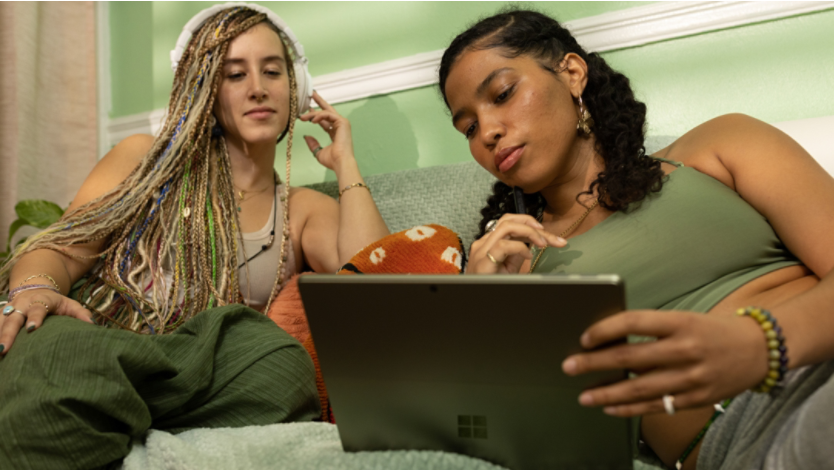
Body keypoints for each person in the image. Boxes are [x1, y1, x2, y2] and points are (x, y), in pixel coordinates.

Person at [439, 9, 834, 470]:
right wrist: (476, 307)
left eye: (503, 94)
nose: (487, 132)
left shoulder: (715, 147)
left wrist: (762, 344)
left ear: (571, 73)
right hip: (750, 437)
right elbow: (494, 430)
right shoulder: (517, 266)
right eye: (467, 128)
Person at [0, 4, 388, 469]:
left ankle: (105, 417)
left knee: (280, 365)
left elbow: (377, 278)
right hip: (105, 345)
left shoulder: (302, 210)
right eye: (235, 74)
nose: (259, 88)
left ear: (297, 88)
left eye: (273, 71)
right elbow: (62, 249)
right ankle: (93, 401)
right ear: (203, 88)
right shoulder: (144, 160)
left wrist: (346, 162)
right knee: (53, 348)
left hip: (199, 372)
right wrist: (35, 288)